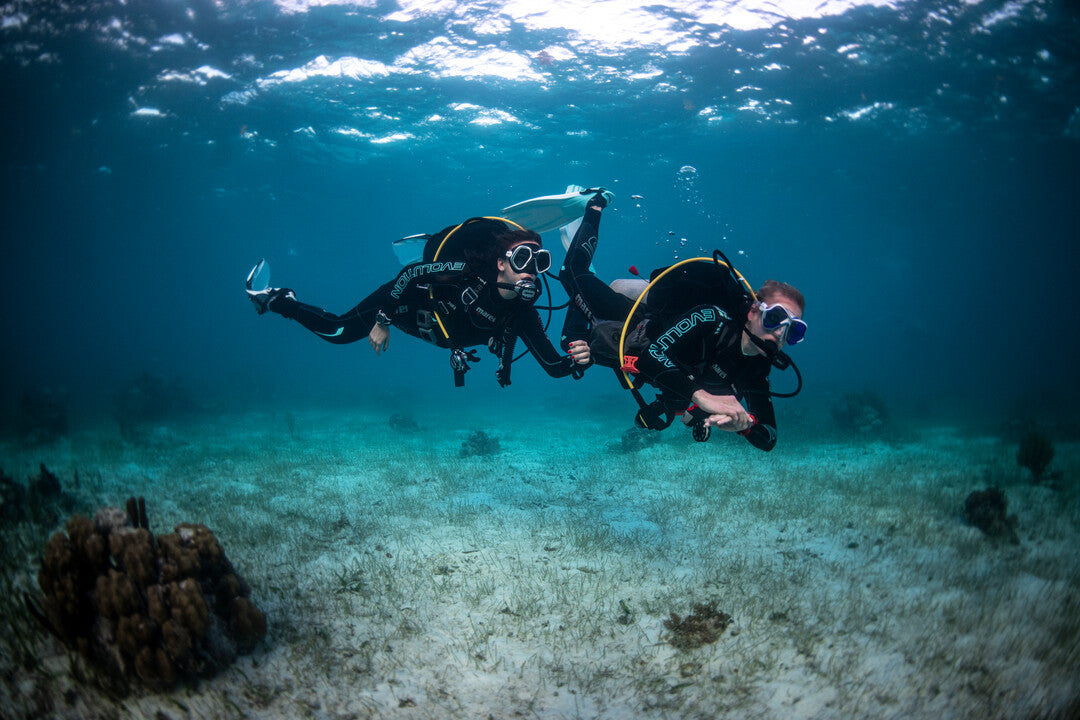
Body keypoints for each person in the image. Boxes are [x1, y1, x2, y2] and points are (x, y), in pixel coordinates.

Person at [559, 193, 806, 451]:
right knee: (572, 274)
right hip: (639, 324)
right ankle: (593, 206)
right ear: (754, 311)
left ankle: (614, 284)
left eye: (794, 330)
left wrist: (745, 426)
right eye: (775, 318)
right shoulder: (712, 317)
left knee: (598, 302)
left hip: (658, 364)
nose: (780, 333)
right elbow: (651, 356)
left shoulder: (757, 368)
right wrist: (704, 398)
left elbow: (769, 437)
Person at [248, 218, 591, 387]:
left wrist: (580, 358)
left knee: (339, 333)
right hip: (402, 303)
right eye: (521, 259)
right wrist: (382, 320)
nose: (530, 270)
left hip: (437, 331)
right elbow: (411, 273)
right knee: (338, 332)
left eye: (538, 262)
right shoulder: (465, 271)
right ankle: (277, 299)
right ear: (501, 262)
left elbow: (554, 367)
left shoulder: (523, 313)